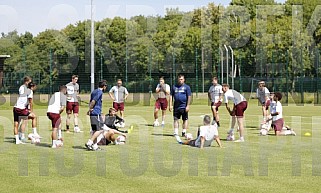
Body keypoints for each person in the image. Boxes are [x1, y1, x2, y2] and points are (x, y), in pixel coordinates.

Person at [13, 76, 40, 144]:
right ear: (27, 81)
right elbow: (30, 102)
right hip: (21, 108)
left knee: (17, 123)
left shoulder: (21, 87)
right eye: (30, 81)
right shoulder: (29, 91)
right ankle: (34, 133)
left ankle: (18, 139)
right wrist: (31, 110)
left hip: (16, 107)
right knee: (33, 117)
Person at [87, 80, 108, 151]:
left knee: (95, 130)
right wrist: (91, 108)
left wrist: (89, 109)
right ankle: (89, 142)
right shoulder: (99, 92)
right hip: (96, 112)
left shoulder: (94, 91)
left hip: (93, 112)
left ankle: (95, 146)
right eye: (106, 86)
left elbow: (91, 101)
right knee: (101, 129)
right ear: (104, 86)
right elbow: (93, 101)